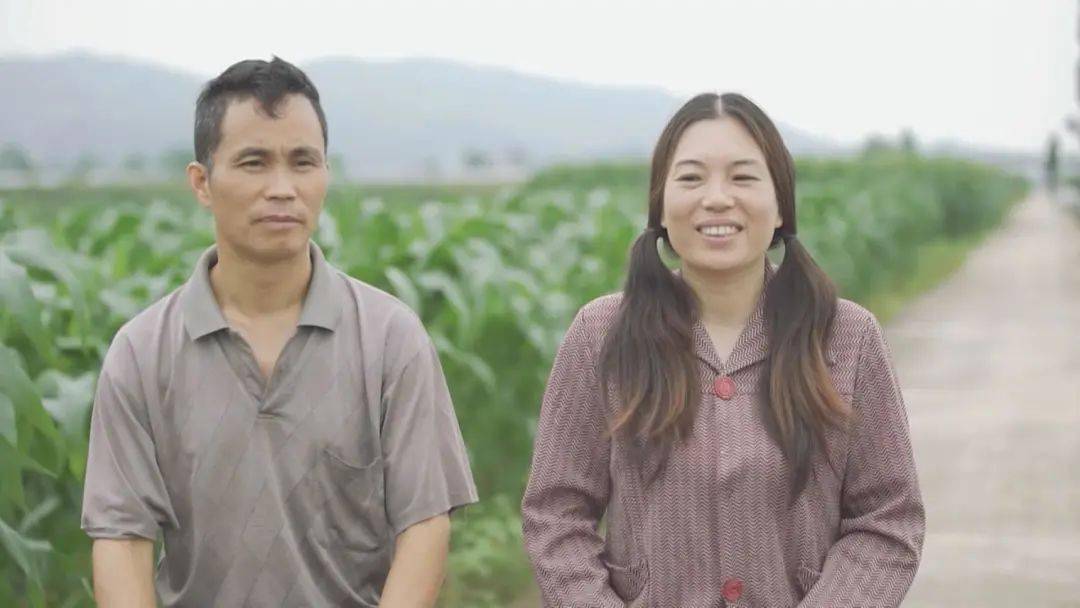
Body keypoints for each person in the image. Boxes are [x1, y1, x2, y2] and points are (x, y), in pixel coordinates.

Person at [81, 57, 478, 607]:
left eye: (302, 162)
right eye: (253, 162)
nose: (283, 188)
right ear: (202, 183)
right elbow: (122, 540)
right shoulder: (142, 354)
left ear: (325, 175)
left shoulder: (390, 339)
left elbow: (424, 525)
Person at [521, 92, 924, 607]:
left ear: (780, 206)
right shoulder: (601, 335)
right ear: (661, 207)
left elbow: (887, 518)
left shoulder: (847, 337)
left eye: (742, 177)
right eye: (691, 178)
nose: (716, 198)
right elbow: (556, 516)